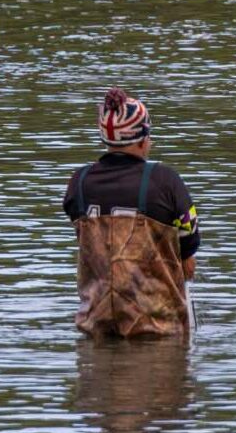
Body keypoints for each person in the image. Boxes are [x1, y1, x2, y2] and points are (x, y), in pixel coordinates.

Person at [63, 87, 200, 338]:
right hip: (157, 326)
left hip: (96, 324)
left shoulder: (78, 182)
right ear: (142, 139)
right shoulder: (165, 181)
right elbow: (189, 242)